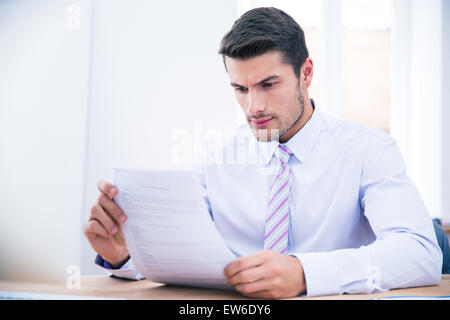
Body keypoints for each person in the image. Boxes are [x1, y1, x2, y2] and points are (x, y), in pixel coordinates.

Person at [84, 7, 442, 298]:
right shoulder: (214, 157)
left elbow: (420, 253)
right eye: (240, 89)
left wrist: (306, 274)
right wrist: (127, 254)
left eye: (268, 85)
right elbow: (185, 255)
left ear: (306, 73)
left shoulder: (369, 150)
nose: (254, 106)